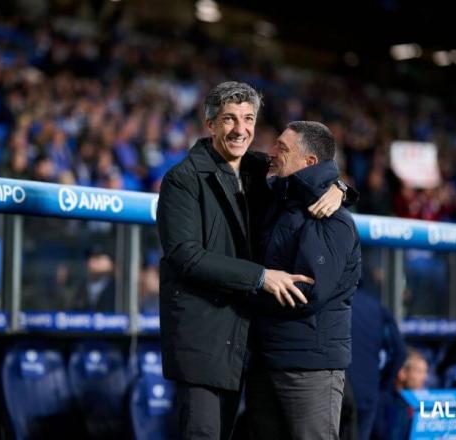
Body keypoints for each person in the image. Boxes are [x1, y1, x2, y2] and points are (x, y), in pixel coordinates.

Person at [157, 82, 350, 439]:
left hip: (242, 340)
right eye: (229, 119)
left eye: (248, 119)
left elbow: (311, 172)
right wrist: (262, 277)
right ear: (211, 124)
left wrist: (339, 190)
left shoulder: (258, 169)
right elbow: (186, 256)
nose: (240, 129)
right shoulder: (181, 181)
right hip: (201, 340)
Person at [246, 121, 361, 440]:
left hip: (308, 367)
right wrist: (341, 186)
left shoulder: (332, 218)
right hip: (266, 359)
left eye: (283, 148)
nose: (273, 152)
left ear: (309, 162)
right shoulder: (277, 201)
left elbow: (305, 291)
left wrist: (249, 285)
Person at [344, 289, 407, 440]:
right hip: (368, 391)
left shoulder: (331, 300)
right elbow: (399, 351)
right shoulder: (376, 306)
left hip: (337, 388)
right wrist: (383, 383)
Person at [372, 349, 428, 439]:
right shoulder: (381, 403)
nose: (424, 377)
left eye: (425, 372)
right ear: (402, 373)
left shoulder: (421, 403)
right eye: (419, 371)